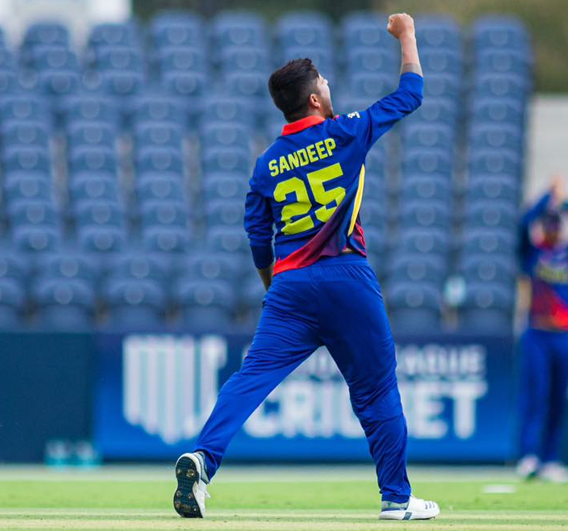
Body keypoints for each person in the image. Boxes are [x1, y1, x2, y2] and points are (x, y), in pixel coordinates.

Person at [173, 14, 439, 521]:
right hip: (347, 277)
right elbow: (411, 94)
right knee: (377, 390)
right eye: (324, 82)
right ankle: (396, 498)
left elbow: (258, 238)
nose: (329, 85)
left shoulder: (266, 163)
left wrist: (274, 285)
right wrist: (407, 35)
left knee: (250, 379)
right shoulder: (347, 133)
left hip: (290, 287)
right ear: (315, 99)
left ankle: (203, 460)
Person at [515, 176, 568, 483]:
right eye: (549, 223)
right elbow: (522, 225)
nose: (554, 228)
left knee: (558, 399)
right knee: (536, 395)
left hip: (565, 335)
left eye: (557, 223)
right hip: (538, 333)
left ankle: (551, 458)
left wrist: (566, 201)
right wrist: (548, 196)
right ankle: (529, 456)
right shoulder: (532, 253)